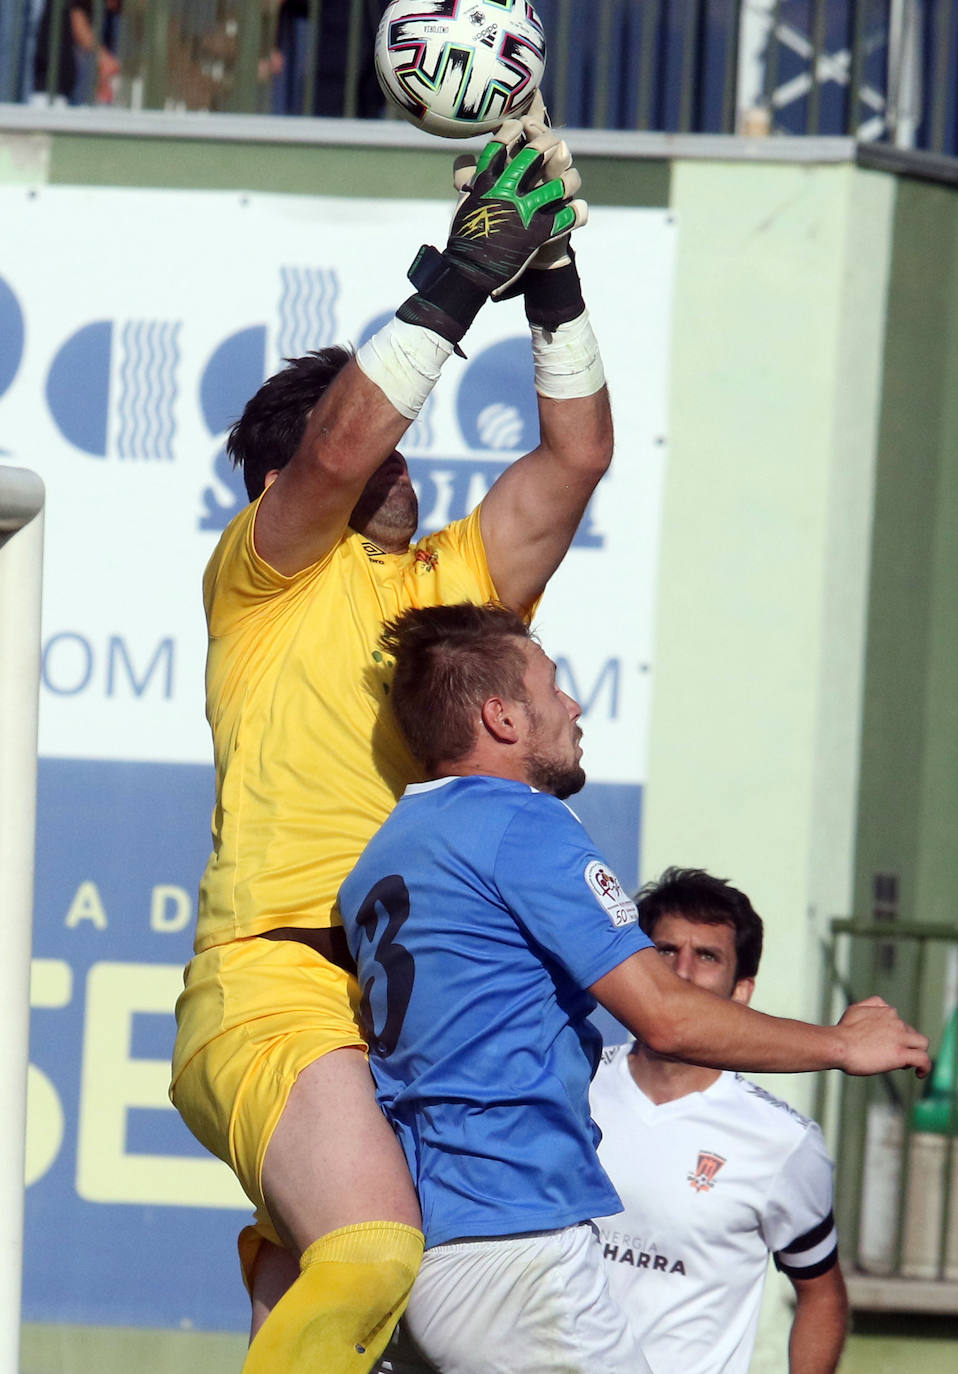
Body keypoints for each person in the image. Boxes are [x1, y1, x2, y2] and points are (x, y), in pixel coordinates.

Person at [170, 111, 607, 1374]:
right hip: (269, 985)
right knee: (371, 1256)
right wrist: (464, 268)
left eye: (399, 439)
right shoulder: (267, 574)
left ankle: (276, 1266)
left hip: (406, 1014)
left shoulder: (450, 594)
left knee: (418, 1322)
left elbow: (577, 457)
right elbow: (334, 447)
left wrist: (553, 271)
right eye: (375, 440)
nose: (394, 461)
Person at [337, 602, 928, 1374]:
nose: (573, 706)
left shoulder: (385, 853)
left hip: (421, 1241)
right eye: (553, 689)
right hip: (513, 1248)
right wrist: (844, 1045)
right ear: (502, 718)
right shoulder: (523, 822)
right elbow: (667, 1017)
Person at [591, 868, 848, 1374]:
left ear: (741, 991)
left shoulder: (781, 1142)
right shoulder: (571, 1085)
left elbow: (822, 1296)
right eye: (664, 951)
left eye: (707, 956)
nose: (682, 972)